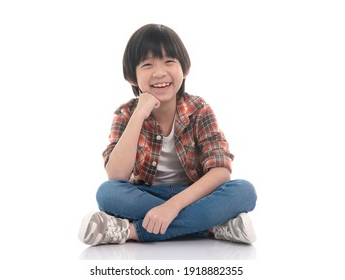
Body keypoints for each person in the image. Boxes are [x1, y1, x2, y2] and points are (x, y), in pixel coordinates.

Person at [78, 23, 257, 246]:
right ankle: (212, 225)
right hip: (147, 196)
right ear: (131, 77)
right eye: (147, 64)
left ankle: (130, 231)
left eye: (169, 61)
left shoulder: (199, 109)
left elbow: (220, 171)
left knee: (244, 191)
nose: (159, 72)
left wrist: (173, 206)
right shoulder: (126, 113)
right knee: (107, 194)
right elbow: (116, 175)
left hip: (194, 195)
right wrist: (138, 116)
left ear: (185, 69)